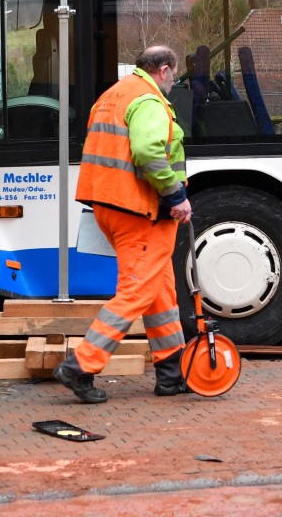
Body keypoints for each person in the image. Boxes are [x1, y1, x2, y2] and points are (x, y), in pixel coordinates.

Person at [54, 45, 193, 403]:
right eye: (174, 76)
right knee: (136, 291)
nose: (173, 83)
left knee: (159, 289)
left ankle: (171, 372)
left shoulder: (113, 95)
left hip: (110, 205)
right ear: (163, 70)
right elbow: (147, 151)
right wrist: (176, 196)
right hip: (139, 212)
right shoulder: (148, 100)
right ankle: (81, 366)